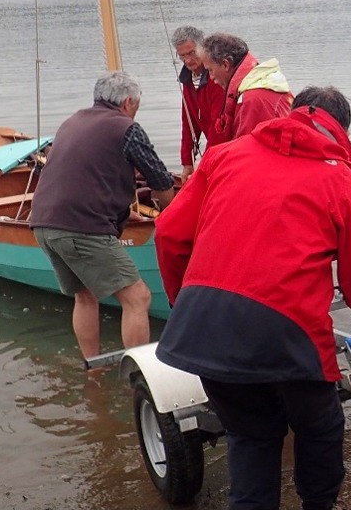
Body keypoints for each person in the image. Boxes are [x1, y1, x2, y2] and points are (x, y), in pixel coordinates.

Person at [154, 86, 351, 510]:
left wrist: (189, 305)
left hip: (206, 330)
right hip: (287, 332)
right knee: (321, 428)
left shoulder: (224, 157)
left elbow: (168, 234)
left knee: (251, 437)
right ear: (341, 132)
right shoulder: (339, 181)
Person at [30, 70, 175, 360]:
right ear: (128, 102)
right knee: (138, 297)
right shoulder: (125, 128)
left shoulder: (72, 121)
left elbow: (84, 175)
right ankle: (142, 375)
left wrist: (122, 213)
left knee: (85, 296)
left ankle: (92, 367)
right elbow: (160, 182)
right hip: (82, 228)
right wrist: (173, 211)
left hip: (43, 223)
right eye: (136, 106)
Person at [202, 32, 293, 140]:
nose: (211, 77)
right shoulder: (266, 81)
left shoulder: (252, 100)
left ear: (226, 65)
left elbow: (248, 150)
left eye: (210, 70)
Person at [171, 25, 226, 184]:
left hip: (225, 149)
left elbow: (219, 126)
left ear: (203, 48)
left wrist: (206, 163)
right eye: (182, 56)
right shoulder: (187, 79)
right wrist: (187, 162)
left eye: (191, 53)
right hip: (214, 150)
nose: (187, 60)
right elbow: (188, 123)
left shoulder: (216, 77)